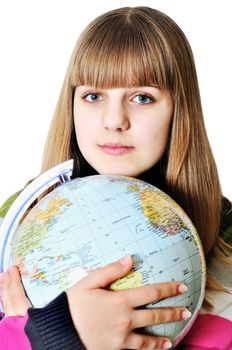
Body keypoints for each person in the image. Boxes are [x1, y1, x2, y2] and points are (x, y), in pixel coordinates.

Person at [0, 5, 231, 350]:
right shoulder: (17, 225)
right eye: (93, 96)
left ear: (178, 110)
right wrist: (48, 337)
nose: (114, 120)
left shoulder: (227, 241)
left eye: (142, 97)